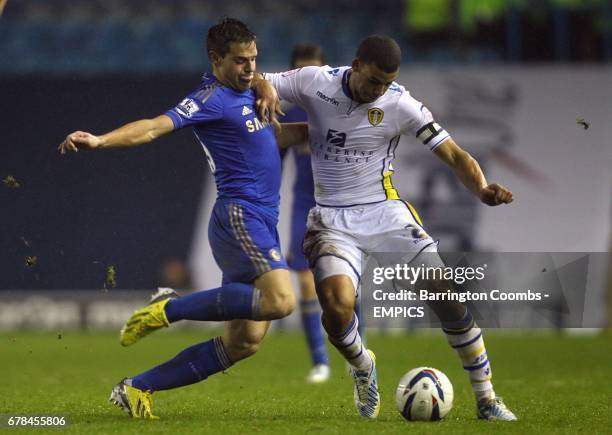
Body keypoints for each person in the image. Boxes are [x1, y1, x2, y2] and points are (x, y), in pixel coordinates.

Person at [58, 18, 307, 419]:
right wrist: (101, 140)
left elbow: (269, 137)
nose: (250, 68)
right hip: (240, 215)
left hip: (259, 218)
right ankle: (169, 307)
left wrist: (319, 133)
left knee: (244, 343)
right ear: (215, 59)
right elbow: (155, 127)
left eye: (254, 59)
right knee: (281, 301)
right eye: (241, 61)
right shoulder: (210, 98)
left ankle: (137, 386)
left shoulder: (249, 92)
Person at [259, 35, 517, 420]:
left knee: (445, 294)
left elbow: (455, 154)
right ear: (356, 64)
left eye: (386, 82)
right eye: (374, 80)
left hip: (385, 213)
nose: (378, 90)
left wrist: (481, 189)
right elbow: (261, 77)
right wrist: (265, 89)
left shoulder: (400, 103)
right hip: (331, 218)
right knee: (336, 306)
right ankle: (363, 366)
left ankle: (487, 398)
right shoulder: (316, 81)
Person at [279, 43, 330, 384]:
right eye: (301, 73)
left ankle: (360, 351)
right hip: (303, 207)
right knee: (307, 283)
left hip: (339, 205)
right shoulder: (286, 113)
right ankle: (320, 362)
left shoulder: (342, 109)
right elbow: (271, 166)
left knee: (345, 285)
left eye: (314, 72)